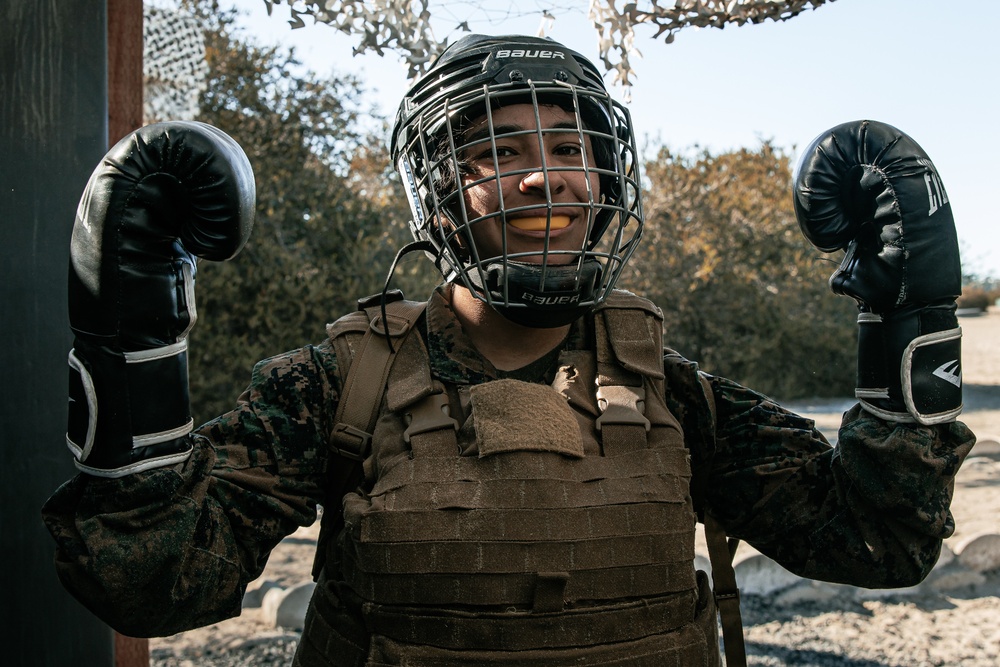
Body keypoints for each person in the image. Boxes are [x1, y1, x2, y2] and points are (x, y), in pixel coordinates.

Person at [43, 34, 976, 667]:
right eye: (497, 149)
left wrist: (906, 318)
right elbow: (155, 581)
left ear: (608, 181)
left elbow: (876, 538)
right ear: (440, 192)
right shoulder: (342, 384)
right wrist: (133, 345)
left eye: (572, 146)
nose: (545, 174)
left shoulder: (672, 392)